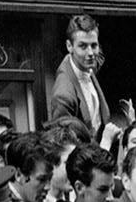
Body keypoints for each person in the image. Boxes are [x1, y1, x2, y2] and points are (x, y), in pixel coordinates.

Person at [53, 14, 129, 151]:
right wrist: (106, 141)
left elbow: (98, 57)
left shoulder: (88, 62)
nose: (91, 53)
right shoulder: (63, 95)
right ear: (69, 46)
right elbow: (66, 151)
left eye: (94, 45)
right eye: (82, 46)